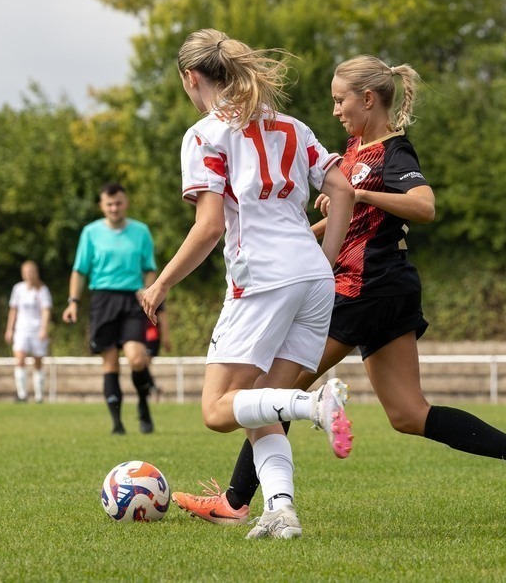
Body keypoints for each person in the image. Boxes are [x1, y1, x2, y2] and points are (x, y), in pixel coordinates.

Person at [169, 54, 506, 528]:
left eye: (340, 100)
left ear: (367, 99)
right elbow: (349, 217)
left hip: (363, 286)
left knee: (275, 390)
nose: (335, 110)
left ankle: (236, 502)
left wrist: (364, 193)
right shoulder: (353, 150)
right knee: (409, 414)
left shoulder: (393, 151)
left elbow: (424, 205)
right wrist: (307, 236)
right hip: (386, 289)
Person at [139, 28, 357, 540]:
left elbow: (210, 226)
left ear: (191, 78)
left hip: (262, 278)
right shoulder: (293, 127)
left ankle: (315, 405)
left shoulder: (205, 134)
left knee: (217, 410)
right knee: (262, 402)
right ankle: (281, 511)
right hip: (311, 277)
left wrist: (160, 285)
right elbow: (344, 188)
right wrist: (322, 261)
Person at [62, 182, 159, 435]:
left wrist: (148, 291)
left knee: (137, 359)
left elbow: (150, 268)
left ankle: (143, 404)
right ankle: (117, 424)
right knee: (110, 362)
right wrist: (73, 302)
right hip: (102, 299)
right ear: (102, 206)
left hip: (132, 300)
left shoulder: (141, 231)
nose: (114, 208)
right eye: (109, 204)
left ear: (125, 203)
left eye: (118, 203)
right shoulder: (91, 233)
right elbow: (79, 270)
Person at [4, 260, 53, 403]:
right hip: (22, 330)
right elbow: (13, 310)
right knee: (19, 360)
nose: (29, 275)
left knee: (38, 362)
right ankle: (22, 395)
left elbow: (46, 311)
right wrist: (9, 329)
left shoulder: (42, 290)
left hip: (37, 329)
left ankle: (39, 396)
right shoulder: (18, 289)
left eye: (31, 271)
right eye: (26, 272)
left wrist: (44, 329)